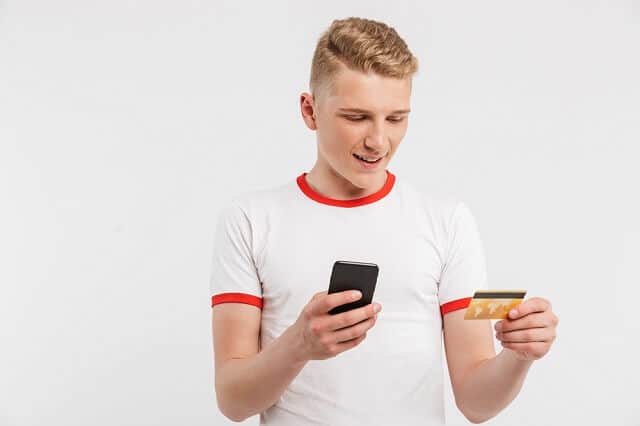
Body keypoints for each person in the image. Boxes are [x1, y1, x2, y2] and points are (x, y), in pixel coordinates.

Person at [209, 17, 559, 425]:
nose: (379, 141)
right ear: (310, 111)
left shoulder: (448, 222)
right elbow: (232, 401)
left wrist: (519, 356)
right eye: (356, 117)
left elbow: (475, 404)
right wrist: (299, 345)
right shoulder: (249, 220)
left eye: (396, 118)